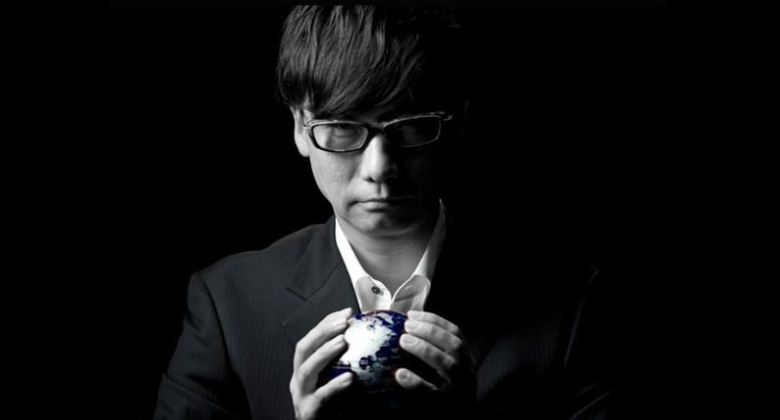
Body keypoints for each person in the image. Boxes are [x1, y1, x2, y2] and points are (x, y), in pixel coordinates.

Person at [154, 5, 615, 420]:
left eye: (410, 127)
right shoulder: (229, 303)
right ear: (299, 127)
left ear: (457, 122)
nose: (380, 169)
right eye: (342, 127)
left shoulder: (569, 302)